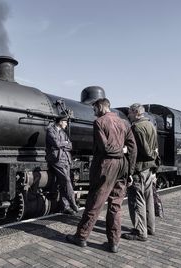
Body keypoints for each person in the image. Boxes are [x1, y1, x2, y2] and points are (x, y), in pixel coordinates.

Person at [65, 98, 137, 253]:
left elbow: (105, 149)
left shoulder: (100, 122)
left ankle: (81, 236)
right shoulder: (125, 123)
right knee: (115, 206)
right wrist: (130, 171)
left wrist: (119, 151)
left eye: (94, 109)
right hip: (122, 167)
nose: (94, 112)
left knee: (95, 202)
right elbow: (133, 149)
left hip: (106, 166)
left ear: (100, 106)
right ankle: (113, 243)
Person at [122, 103, 159, 241]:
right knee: (148, 198)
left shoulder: (136, 128)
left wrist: (130, 172)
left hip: (139, 168)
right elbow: (155, 149)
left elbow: (136, 152)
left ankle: (140, 232)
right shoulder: (150, 125)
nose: (128, 115)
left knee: (137, 200)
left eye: (130, 113)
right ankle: (150, 228)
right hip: (149, 168)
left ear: (136, 113)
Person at [45, 113, 79, 215]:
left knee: (64, 183)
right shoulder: (51, 130)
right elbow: (56, 144)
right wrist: (64, 144)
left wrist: (63, 144)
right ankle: (73, 203)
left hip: (66, 159)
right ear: (60, 122)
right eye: (65, 122)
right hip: (57, 160)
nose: (66, 124)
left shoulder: (63, 133)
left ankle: (65, 207)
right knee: (66, 180)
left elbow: (70, 145)